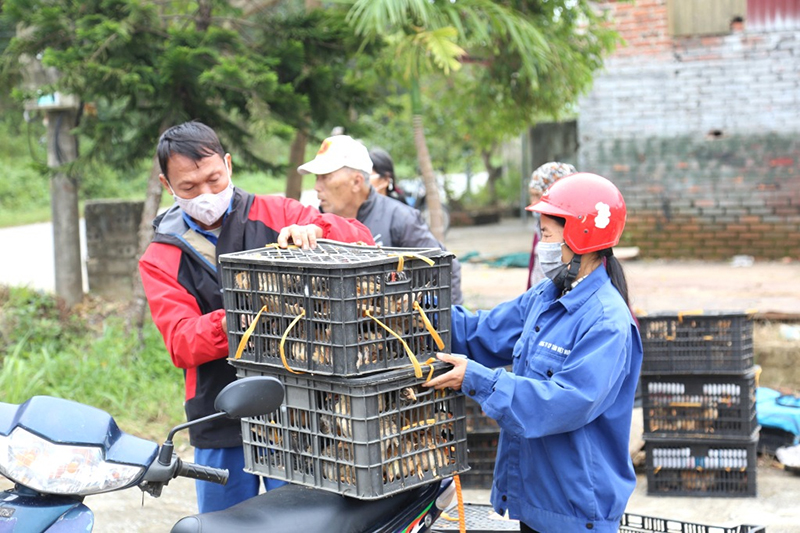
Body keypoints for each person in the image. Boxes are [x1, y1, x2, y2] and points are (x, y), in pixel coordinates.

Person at [138, 121, 374, 513]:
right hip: (218, 415)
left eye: (214, 178)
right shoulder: (162, 256)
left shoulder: (275, 212)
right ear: (168, 186)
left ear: (228, 165)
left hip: (296, 411)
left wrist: (317, 230)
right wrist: (255, 307)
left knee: (303, 519)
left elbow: (359, 237)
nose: (206, 194)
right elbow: (182, 342)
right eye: (189, 188)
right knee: (226, 523)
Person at [424, 173, 643, 533]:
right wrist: (415, 307)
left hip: (575, 509)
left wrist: (478, 379)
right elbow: (483, 331)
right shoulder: (547, 296)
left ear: (580, 235)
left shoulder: (608, 322)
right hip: (537, 498)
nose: (541, 245)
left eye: (546, 234)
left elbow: (563, 402)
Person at [299, 134, 464, 305]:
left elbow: (446, 269)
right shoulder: (314, 226)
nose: (317, 187)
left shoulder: (399, 219)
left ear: (357, 182)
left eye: (325, 177)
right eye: (316, 178)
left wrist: (447, 323)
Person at [526, 161, 576, 290]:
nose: (533, 202)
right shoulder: (539, 228)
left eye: (538, 195)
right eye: (531, 195)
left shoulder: (573, 232)